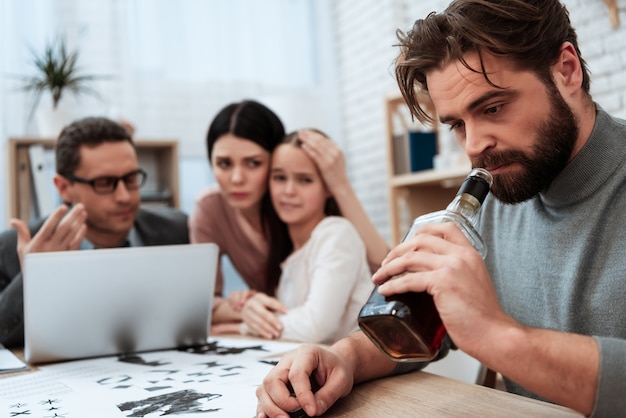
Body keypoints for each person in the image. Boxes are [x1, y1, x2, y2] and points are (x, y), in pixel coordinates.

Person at [255, 1, 625, 417]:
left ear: (566, 70)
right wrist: (345, 359)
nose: (473, 145)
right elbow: (428, 327)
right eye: (457, 125)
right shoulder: (495, 190)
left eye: (493, 107)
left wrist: (496, 335)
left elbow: (486, 332)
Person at [190, 101, 388, 332]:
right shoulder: (211, 208)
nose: (236, 178)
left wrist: (340, 184)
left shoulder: (322, 227)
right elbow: (203, 303)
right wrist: (243, 306)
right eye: (223, 163)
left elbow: (381, 275)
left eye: (253, 163)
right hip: (289, 335)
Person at [0, 117, 189, 347]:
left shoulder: (178, 231)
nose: (124, 197)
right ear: (64, 188)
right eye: (104, 183)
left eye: (130, 179)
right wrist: (35, 277)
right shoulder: (10, 249)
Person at [238, 130, 374, 343]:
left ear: (328, 187)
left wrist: (253, 323)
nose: (289, 191)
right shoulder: (291, 249)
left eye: (304, 180)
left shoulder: (336, 234)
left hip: (354, 371)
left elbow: (315, 328)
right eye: (280, 178)